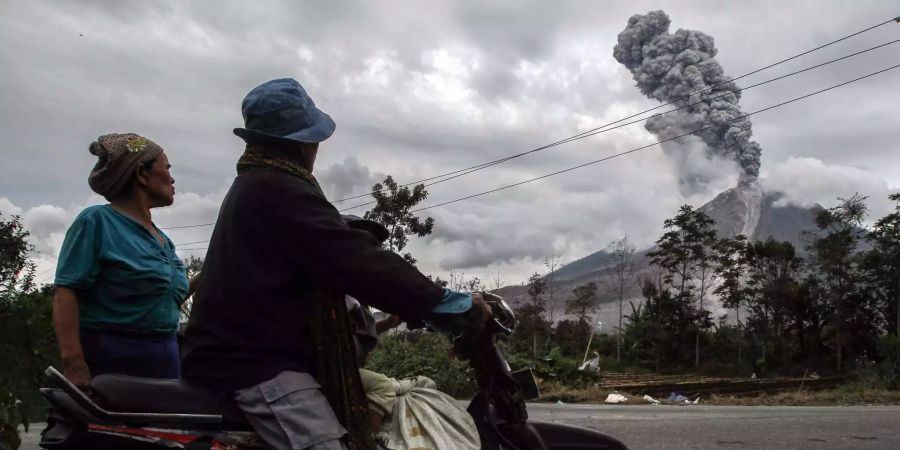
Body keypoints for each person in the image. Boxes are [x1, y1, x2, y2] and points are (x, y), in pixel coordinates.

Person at [181, 78, 488, 450]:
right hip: (252, 365)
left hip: (254, 356)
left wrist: (423, 307)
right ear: (304, 144)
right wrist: (446, 302)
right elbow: (356, 260)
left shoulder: (258, 184)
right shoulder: (276, 189)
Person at [53, 133, 197, 386]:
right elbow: (67, 292)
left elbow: (163, 300)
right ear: (142, 174)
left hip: (166, 362)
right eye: (167, 168)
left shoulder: (161, 238)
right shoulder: (96, 222)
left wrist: (215, 265)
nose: (172, 178)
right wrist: (74, 363)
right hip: (114, 360)